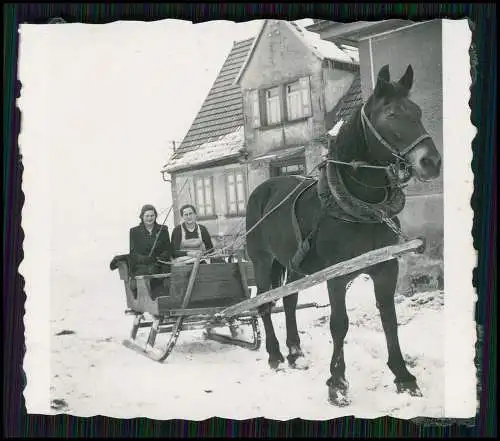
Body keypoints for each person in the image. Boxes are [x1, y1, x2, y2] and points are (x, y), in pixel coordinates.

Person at [129, 204, 173, 277]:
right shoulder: (134, 231)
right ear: (142, 217)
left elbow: (168, 249)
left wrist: (159, 258)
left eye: (152, 215)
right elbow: (133, 253)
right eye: (147, 216)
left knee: (167, 273)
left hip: (160, 264)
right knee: (145, 274)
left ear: (155, 216)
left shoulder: (163, 229)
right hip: (142, 266)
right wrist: (144, 259)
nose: (149, 218)